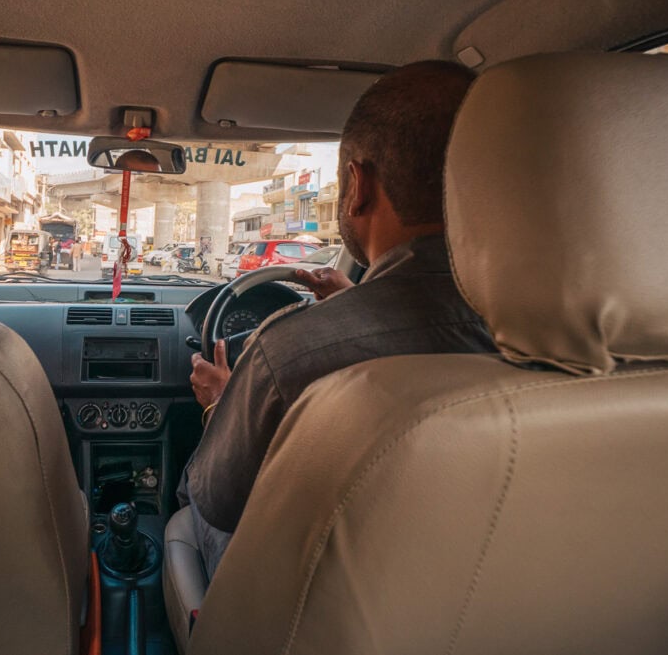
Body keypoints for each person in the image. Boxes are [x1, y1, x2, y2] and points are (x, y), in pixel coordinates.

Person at [180, 60, 496, 578]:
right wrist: (358, 302)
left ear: (356, 184)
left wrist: (220, 404)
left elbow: (216, 498)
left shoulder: (289, 354)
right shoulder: (583, 338)